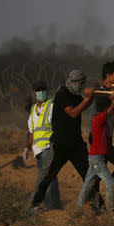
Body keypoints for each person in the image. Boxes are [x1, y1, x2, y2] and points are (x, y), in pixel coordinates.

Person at [27, 70, 100, 212]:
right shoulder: (62, 94)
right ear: (71, 82)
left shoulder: (75, 95)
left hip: (76, 144)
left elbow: (83, 106)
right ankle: (33, 204)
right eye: (78, 83)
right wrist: (87, 98)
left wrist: (93, 94)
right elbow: (73, 113)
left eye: (82, 83)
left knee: (90, 174)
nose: (80, 86)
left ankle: (96, 204)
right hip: (60, 145)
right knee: (47, 176)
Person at [77, 79, 114, 212]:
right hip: (97, 159)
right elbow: (113, 104)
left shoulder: (100, 119)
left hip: (95, 157)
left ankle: (77, 210)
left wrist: (107, 90)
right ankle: (110, 212)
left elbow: (111, 102)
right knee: (110, 183)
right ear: (105, 108)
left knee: (87, 184)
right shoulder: (100, 119)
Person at [22, 80, 62, 210]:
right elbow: (32, 132)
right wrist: (26, 148)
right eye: (38, 90)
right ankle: (48, 205)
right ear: (34, 93)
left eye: (43, 89)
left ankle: (54, 207)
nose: (41, 92)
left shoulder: (51, 105)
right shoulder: (33, 109)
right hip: (37, 150)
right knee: (44, 179)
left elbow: (57, 126)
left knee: (48, 177)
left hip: (48, 148)